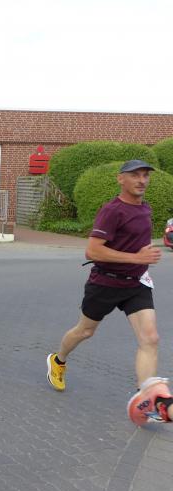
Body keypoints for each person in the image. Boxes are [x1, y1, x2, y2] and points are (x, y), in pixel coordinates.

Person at [45, 160, 172, 426]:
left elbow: (135, 243)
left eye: (145, 175)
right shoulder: (112, 211)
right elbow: (92, 251)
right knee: (85, 331)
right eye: (135, 175)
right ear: (120, 179)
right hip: (106, 282)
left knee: (150, 338)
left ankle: (146, 400)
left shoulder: (145, 208)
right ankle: (58, 360)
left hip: (136, 283)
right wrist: (136, 258)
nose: (142, 180)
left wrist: (141, 259)